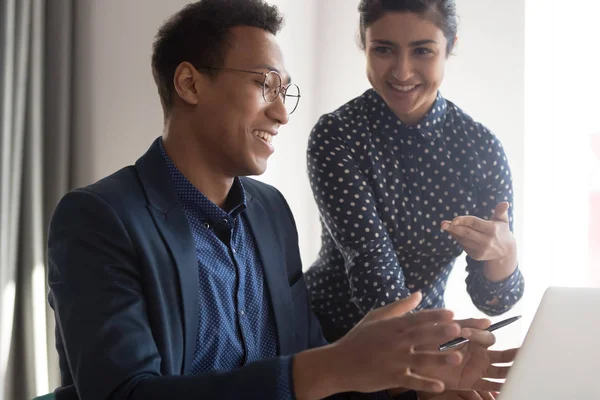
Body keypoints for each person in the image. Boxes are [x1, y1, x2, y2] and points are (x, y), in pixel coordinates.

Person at [47, 1, 515, 399]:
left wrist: (416, 388)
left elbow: (308, 366)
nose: (280, 113)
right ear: (189, 84)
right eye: (264, 85)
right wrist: (339, 365)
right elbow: (126, 394)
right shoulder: (99, 218)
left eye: (282, 90)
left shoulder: (270, 211)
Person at [305, 0, 525, 342]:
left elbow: (493, 301)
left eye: (422, 51)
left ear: (450, 46)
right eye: (383, 50)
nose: (402, 72)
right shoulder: (338, 135)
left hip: (425, 340)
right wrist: (442, 347)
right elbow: (373, 272)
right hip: (326, 340)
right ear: (364, 44)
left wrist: (504, 252)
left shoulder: (481, 149)